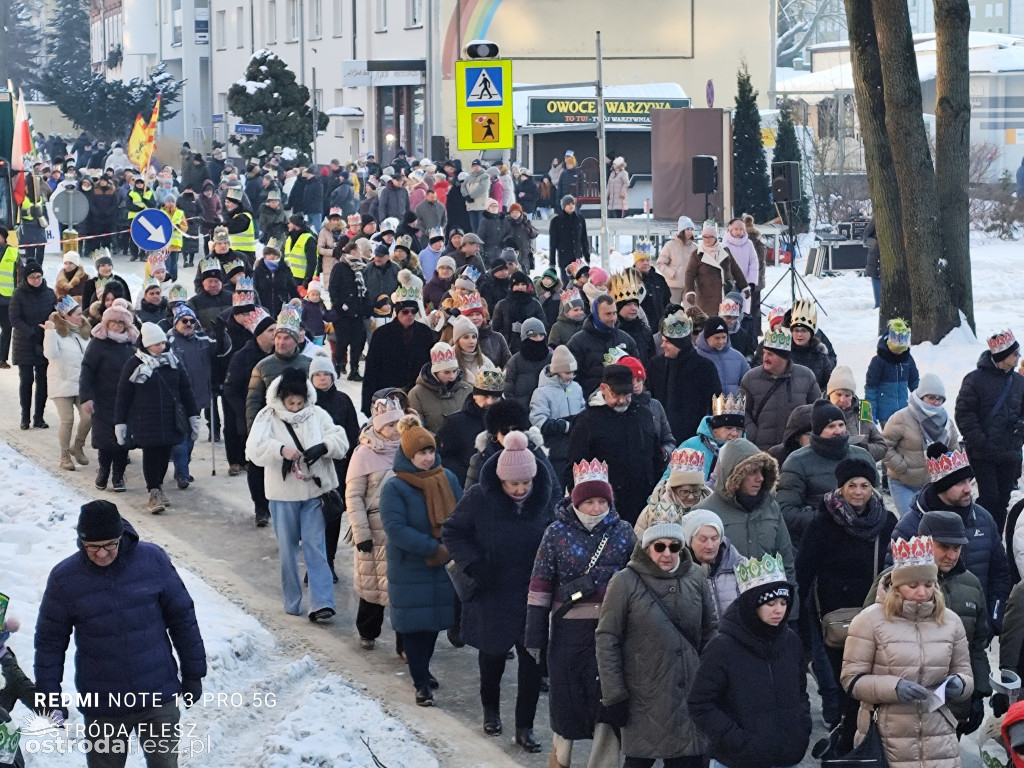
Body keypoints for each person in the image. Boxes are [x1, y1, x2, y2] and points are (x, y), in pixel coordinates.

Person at [34, 500, 207, 766]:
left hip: (157, 694)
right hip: (103, 704)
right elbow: (49, 642)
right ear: (81, 542)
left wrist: (193, 673)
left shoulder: (152, 560)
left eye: (109, 545)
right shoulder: (65, 578)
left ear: (121, 536)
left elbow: (182, 617)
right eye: (93, 547)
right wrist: (49, 695)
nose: (102, 554)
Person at [443, 431, 552, 752]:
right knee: (492, 657)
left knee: (531, 663)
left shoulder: (544, 499)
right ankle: (490, 711)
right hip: (493, 591)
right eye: (513, 484)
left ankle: (524, 727)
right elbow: (452, 531)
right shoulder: (479, 497)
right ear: (501, 480)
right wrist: (475, 565)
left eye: (525, 483)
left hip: (532, 594)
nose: (520, 490)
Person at [526, 459, 636, 768]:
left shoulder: (623, 532)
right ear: (576, 502)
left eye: (602, 501)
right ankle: (560, 760)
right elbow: (540, 583)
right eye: (589, 501)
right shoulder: (555, 533)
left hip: (612, 632)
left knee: (608, 701)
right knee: (566, 700)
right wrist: (535, 634)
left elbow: (636, 580)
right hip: (568, 634)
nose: (596, 508)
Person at [841, 535, 974, 768]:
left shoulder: (951, 621)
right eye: (913, 586)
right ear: (896, 585)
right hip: (886, 737)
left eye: (929, 585)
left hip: (938, 739)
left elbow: (965, 672)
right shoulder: (869, 621)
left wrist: (960, 684)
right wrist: (895, 688)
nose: (922, 592)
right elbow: (851, 680)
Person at [595, 519, 715, 768]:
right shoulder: (624, 581)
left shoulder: (696, 575)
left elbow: (710, 630)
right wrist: (614, 694)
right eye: (659, 547)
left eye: (674, 546)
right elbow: (607, 638)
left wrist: (711, 678)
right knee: (639, 760)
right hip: (643, 696)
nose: (667, 553)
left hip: (689, 691)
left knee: (690, 759)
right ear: (647, 548)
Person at [867, 511, 993, 739]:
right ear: (924, 542)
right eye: (944, 547)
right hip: (899, 712)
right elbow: (866, 643)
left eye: (957, 548)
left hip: (950, 709)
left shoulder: (971, 584)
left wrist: (978, 694)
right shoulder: (892, 582)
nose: (951, 555)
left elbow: (977, 645)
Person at [795, 458, 897, 736]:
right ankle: (844, 732)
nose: (858, 492)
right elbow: (804, 570)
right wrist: (802, 615)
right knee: (845, 678)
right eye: (852, 485)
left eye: (864, 485)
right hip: (836, 616)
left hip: (875, 610)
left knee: (873, 676)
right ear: (840, 488)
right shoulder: (822, 524)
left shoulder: (886, 521)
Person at [688, 552, 811, 768]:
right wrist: (737, 740)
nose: (779, 610)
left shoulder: (791, 641)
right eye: (770, 603)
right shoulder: (722, 647)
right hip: (736, 761)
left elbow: (800, 691)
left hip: (786, 758)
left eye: (783, 602)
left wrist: (800, 729)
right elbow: (700, 704)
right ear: (752, 604)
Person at [246, 367, 349, 620]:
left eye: (299, 403)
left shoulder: (316, 413)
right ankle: (292, 601)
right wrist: (280, 449)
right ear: (281, 398)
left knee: (315, 546)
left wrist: (323, 447)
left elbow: (341, 440)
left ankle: (322, 602)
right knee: (288, 550)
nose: (295, 407)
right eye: (290, 403)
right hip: (282, 495)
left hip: (314, 492)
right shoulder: (267, 416)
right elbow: (253, 449)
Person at [379, 417, 463, 706]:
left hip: (443, 565)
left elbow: (461, 514)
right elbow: (395, 528)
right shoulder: (395, 487)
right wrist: (432, 548)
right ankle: (420, 683)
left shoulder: (447, 478)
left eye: (430, 451)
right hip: (411, 566)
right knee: (415, 627)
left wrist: (451, 546)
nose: (427, 458)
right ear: (408, 456)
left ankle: (423, 670)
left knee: (432, 626)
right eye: (420, 453)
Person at [888, 442, 1010, 634]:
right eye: (960, 483)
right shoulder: (910, 526)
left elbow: (1000, 574)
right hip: (925, 633)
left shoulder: (983, 519)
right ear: (942, 487)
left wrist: (993, 618)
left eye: (969, 481)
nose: (968, 489)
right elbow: (892, 582)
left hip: (974, 632)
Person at [114, 323, 200, 512]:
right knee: (151, 454)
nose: (161, 347)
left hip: (170, 418)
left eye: (162, 343)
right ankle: (153, 491)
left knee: (164, 455)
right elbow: (123, 395)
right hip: (146, 420)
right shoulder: (134, 364)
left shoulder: (173, 361)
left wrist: (193, 415)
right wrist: (120, 422)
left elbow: (185, 390)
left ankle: (158, 487)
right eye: (156, 344)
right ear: (146, 345)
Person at [566, 363, 659, 526]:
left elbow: (655, 455)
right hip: (606, 508)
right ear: (604, 388)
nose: (622, 400)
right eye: (616, 394)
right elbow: (574, 467)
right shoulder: (587, 422)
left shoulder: (643, 415)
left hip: (644, 504)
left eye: (627, 394)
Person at [692, 438, 796, 583]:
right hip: (723, 595)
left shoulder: (771, 508)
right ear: (735, 475)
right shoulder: (703, 513)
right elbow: (692, 570)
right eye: (752, 472)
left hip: (770, 595)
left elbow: (787, 561)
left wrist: (790, 594)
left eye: (762, 471)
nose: (760, 478)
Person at [347, 397, 405, 650]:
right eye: (389, 425)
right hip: (374, 530)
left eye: (398, 424)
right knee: (372, 585)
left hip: (402, 530)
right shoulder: (364, 453)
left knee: (403, 588)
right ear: (378, 427)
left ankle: (405, 644)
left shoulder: (411, 449)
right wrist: (361, 534)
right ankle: (368, 631)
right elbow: (354, 497)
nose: (395, 430)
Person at [777, 400, 876, 548]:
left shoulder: (862, 456)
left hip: (861, 541)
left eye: (841, 425)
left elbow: (876, 498)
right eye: (831, 426)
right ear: (818, 431)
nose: (838, 431)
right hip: (819, 543)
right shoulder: (797, 462)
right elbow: (786, 511)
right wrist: (827, 520)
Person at [955, 328, 1024, 534]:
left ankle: (996, 536)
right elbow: (964, 414)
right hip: (982, 453)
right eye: (1015, 353)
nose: (1019, 356)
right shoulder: (974, 380)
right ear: (1003, 356)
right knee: (989, 498)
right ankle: (979, 533)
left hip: (1010, 452)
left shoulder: (1020, 382)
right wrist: (980, 440)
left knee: (1004, 499)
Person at [224, 308, 277, 526]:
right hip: (252, 419)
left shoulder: (279, 356)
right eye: (271, 330)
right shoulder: (242, 357)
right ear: (259, 334)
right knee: (256, 464)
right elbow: (230, 390)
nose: (275, 334)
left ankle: (275, 504)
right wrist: (246, 413)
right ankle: (260, 508)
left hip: (278, 419)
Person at [882, 373, 958, 518]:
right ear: (921, 397)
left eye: (939, 399)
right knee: (911, 522)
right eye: (931, 398)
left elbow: (954, 451)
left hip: (932, 486)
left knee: (931, 524)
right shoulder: (901, 417)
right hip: (903, 483)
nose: (936, 402)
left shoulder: (946, 422)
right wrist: (900, 466)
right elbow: (884, 445)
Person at [359, 274, 435, 415]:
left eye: (413, 311)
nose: (409, 315)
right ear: (397, 311)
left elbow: (430, 365)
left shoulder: (425, 332)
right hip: (388, 393)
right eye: (405, 312)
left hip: (417, 394)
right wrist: (367, 403)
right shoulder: (381, 334)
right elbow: (371, 370)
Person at [646, 307, 722, 444]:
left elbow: (715, 405)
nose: (662, 345)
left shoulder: (704, 367)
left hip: (694, 439)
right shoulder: (655, 366)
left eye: (667, 341)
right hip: (660, 440)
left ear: (679, 343)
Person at [740, 325, 821, 451]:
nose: (765, 358)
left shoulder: (806, 376)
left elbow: (817, 410)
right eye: (764, 353)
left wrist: (804, 436)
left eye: (770, 354)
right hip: (761, 450)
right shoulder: (750, 378)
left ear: (783, 357)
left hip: (796, 451)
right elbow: (742, 412)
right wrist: (754, 436)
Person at [42, 296, 92, 471]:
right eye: (77, 314)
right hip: (61, 382)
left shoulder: (84, 333)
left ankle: (77, 446)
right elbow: (50, 354)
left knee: (88, 417)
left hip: (81, 384)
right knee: (67, 419)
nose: (81, 317)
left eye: (81, 313)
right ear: (66, 316)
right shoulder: (55, 333)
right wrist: (49, 332)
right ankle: (64, 457)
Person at [10, 261, 56, 430]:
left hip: (44, 341)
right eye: (32, 277)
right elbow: (14, 319)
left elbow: (55, 314)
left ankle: (39, 417)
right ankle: (25, 417)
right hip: (25, 342)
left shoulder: (49, 293)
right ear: (26, 278)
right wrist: (31, 331)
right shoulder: (18, 294)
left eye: (38, 277)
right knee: (26, 380)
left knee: (43, 381)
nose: (36, 280)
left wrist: (50, 328)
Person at [566, 294, 638, 397]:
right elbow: (572, 376)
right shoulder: (578, 342)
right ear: (596, 314)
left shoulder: (626, 340)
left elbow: (637, 370)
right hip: (591, 399)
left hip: (623, 398)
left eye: (614, 313)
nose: (612, 318)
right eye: (608, 314)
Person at [680, 509, 745, 618]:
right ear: (690, 541)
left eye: (715, 538)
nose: (710, 546)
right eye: (703, 540)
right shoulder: (680, 573)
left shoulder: (741, 566)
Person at [682, 223, 748, 318]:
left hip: (726, 293)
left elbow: (735, 269)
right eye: (704, 237)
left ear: (715, 238)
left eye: (710, 237)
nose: (707, 239)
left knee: (727, 320)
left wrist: (744, 286)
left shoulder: (725, 250)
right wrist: (690, 292)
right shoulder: (697, 254)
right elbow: (689, 274)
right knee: (709, 321)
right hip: (707, 296)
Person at [676, 394, 745, 483]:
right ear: (715, 429)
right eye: (728, 428)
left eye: (739, 429)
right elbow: (669, 481)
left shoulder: (747, 451)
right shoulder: (690, 446)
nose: (735, 433)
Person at [825, 365, 887, 462]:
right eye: (838, 394)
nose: (842, 399)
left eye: (847, 395)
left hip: (858, 466)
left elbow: (882, 447)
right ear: (830, 394)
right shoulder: (816, 411)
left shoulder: (863, 410)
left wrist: (863, 450)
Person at [865, 318, 919, 426]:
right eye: (896, 340)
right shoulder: (878, 361)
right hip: (885, 414)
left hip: (903, 412)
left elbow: (915, 384)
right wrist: (869, 414)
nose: (899, 344)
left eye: (903, 340)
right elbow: (871, 389)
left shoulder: (908, 360)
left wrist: (923, 403)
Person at [328, 240, 369, 381]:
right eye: (358, 251)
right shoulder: (340, 267)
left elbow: (365, 289)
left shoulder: (361, 267)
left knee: (357, 343)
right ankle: (337, 367)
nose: (360, 253)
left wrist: (365, 307)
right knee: (342, 341)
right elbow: (333, 288)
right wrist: (339, 306)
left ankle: (354, 370)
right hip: (343, 313)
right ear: (352, 252)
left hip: (358, 312)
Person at [491, 271, 546, 355]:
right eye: (517, 284)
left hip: (531, 347)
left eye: (523, 284)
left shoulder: (534, 304)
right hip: (507, 348)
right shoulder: (502, 305)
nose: (520, 287)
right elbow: (495, 329)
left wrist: (526, 329)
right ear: (512, 286)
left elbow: (543, 325)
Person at [608, 269, 656, 365]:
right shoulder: (610, 331)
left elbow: (652, 359)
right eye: (628, 304)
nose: (634, 308)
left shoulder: (645, 330)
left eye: (635, 304)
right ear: (618, 308)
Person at [502, 317, 551, 409]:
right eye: (534, 336)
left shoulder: (551, 359)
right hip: (521, 410)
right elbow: (507, 389)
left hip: (547, 409)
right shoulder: (515, 361)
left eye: (541, 335)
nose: (539, 339)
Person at [694, 315, 749, 396]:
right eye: (717, 338)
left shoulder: (738, 358)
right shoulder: (695, 357)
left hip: (732, 403)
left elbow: (748, 385)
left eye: (724, 337)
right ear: (706, 337)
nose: (721, 341)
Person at [549, 196, 590, 275]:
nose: (571, 206)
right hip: (564, 258)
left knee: (578, 280)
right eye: (568, 204)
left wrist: (587, 257)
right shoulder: (556, 221)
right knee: (566, 281)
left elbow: (584, 239)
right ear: (564, 206)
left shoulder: (580, 219)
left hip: (577, 258)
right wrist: (552, 263)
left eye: (573, 204)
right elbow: (553, 243)